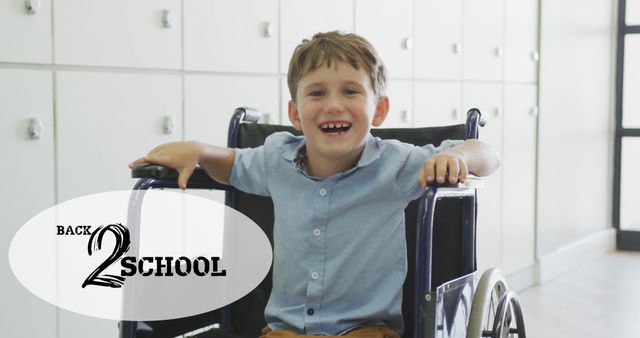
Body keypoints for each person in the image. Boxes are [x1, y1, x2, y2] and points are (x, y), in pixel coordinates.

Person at [129, 31, 499, 338]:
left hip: (364, 331)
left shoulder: (398, 164)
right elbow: (233, 164)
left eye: (351, 92)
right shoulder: (276, 160)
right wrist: (197, 150)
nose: (333, 105)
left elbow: (488, 155)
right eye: (317, 93)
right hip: (285, 332)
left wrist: (459, 158)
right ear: (295, 113)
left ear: (380, 110)